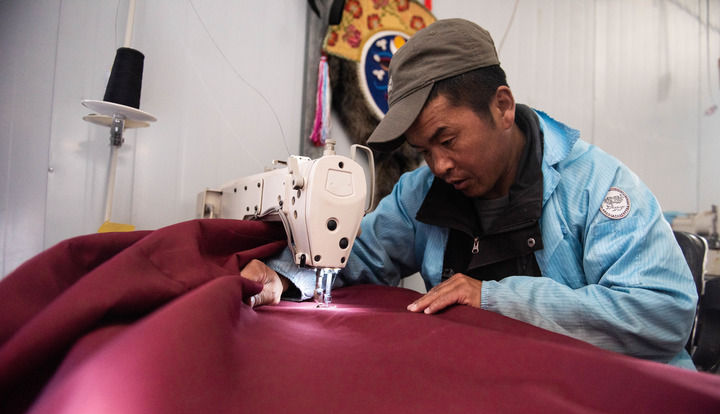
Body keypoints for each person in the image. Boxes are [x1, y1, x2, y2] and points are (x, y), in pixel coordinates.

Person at [241, 18, 698, 369]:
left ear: (502, 107)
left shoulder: (598, 187)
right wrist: (285, 277)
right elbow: (352, 256)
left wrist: (495, 299)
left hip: (622, 401)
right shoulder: (420, 193)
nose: (438, 165)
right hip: (497, 387)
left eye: (447, 140)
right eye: (424, 150)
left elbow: (664, 313)